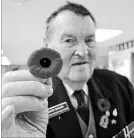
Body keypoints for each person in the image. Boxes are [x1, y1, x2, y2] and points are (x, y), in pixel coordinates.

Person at [2, 1, 134, 138]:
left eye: (89, 40)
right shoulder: (30, 103)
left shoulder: (121, 86)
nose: (83, 52)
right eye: (69, 40)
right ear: (48, 46)